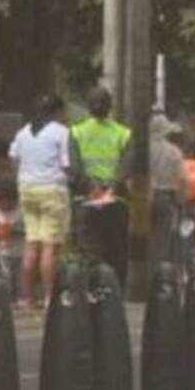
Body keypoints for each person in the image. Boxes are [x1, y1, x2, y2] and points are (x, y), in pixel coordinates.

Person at [9, 94, 72, 312]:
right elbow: (66, 164)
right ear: (57, 112)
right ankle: (49, 298)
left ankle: (26, 297)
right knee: (50, 248)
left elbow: (14, 159)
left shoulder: (23, 132)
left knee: (31, 244)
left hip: (27, 190)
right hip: (52, 190)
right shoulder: (61, 133)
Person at [70, 86, 132, 287]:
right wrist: (112, 188)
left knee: (89, 250)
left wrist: (92, 187)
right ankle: (114, 295)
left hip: (87, 199)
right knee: (116, 250)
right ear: (110, 107)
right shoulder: (123, 133)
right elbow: (126, 166)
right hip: (115, 199)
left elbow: (74, 167)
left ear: (88, 107)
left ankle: (90, 292)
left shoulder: (77, 132)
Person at [149, 114, 190, 270]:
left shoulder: (142, 150)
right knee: (161, 243)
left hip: (142, 201)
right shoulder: (173, 152)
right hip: (165, 199)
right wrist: (182, 202)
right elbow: (183, 180)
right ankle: (158, 274)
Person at [0, 182, 25, 302]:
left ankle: (21, 296)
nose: (2, 205)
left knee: (20, 275)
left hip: (20, 251)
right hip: (3, 250)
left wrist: (14, 231)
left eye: (6, 201)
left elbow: (27, 230)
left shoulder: (20, 212)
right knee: (6, 275)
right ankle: (8, 297)